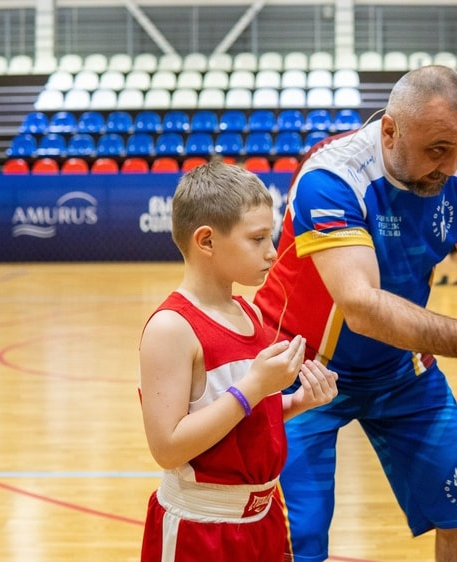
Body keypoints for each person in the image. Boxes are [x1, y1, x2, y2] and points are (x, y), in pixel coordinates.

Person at [254, 65, 457, 562]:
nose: (453, 162)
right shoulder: (332, 177)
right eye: (438, 149)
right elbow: (361, 306)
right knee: (300, 541)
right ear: (391, 129)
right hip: (300, 370)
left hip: (401, 369)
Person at [137, 162, 338, 562]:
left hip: (263, 516)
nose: (273, 251)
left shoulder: (249, 313)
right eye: (258, 238)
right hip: (201, 526)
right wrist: (253, 387)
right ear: (207, 241)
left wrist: (298, 403)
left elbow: (242, 416)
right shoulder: (170, 328)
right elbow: (168, 448)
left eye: (272, 236)